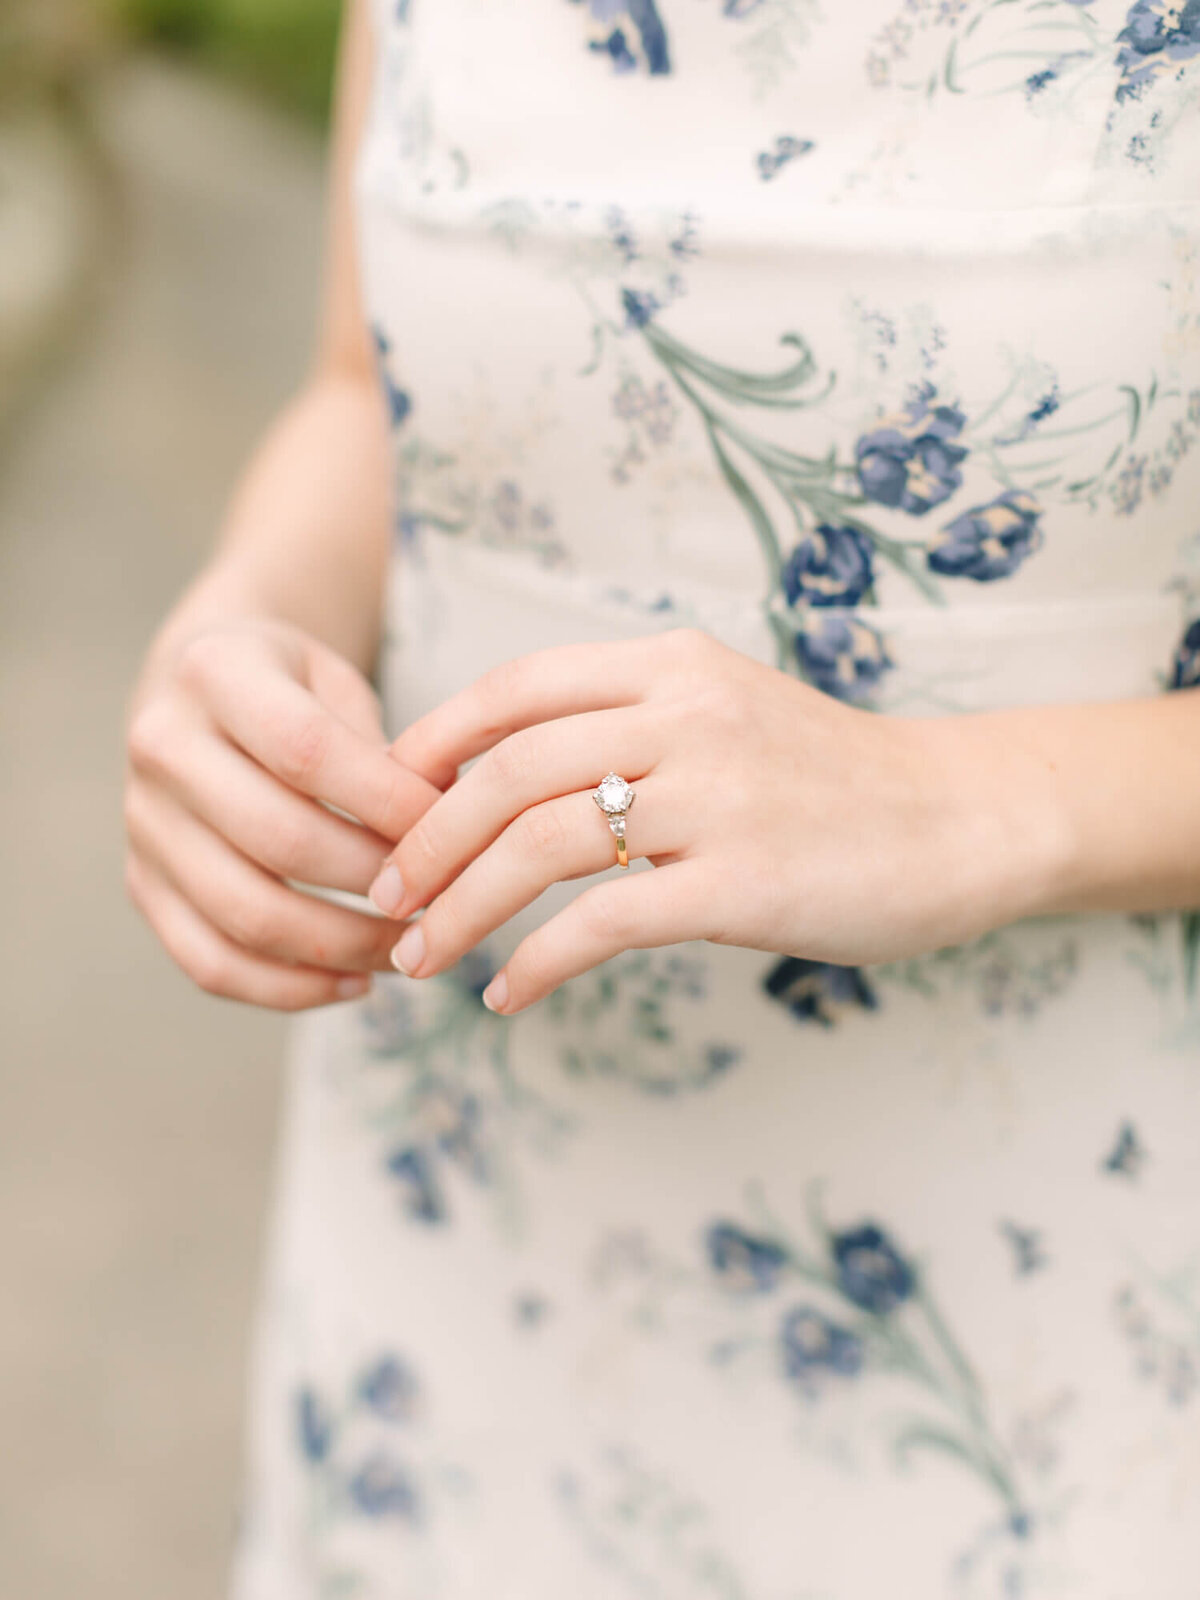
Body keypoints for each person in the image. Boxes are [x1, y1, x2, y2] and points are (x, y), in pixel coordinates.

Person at [122, 1, 1200, 1594]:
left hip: (1076, 1299)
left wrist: (958, 798)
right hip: (457, 1270)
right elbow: (367, 389)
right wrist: (241, 619)